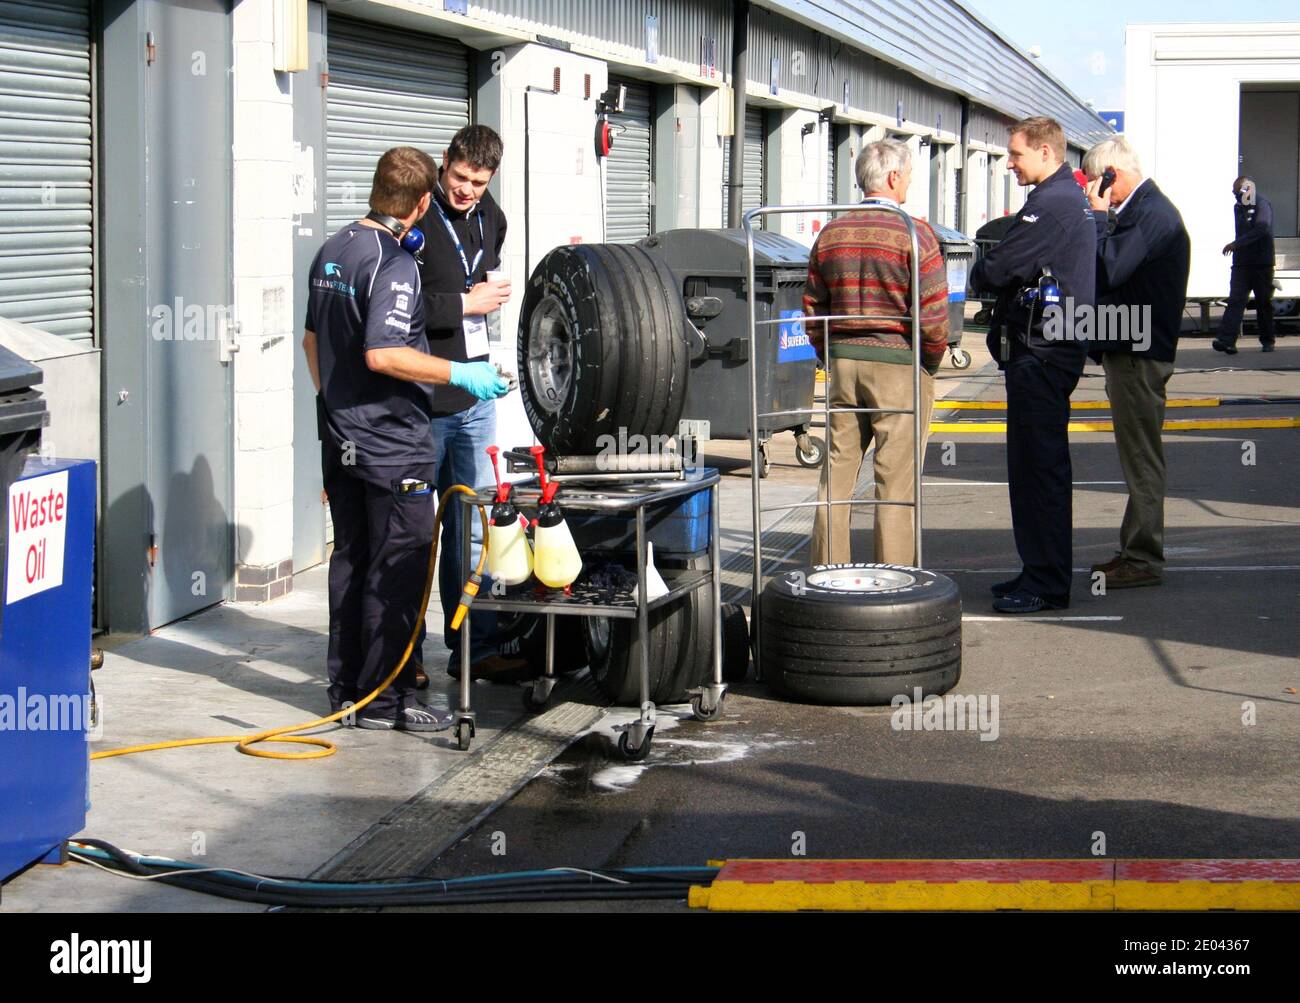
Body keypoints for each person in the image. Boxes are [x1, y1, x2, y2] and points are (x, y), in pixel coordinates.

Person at [302, 146, 510, 731]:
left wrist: (336, 405)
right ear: (424, 201)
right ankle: (389, 702)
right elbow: (383, 352)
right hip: (393, 446)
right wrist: (458, 373)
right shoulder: (393, 263)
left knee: (352, 562)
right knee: (398, 571)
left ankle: (348, 692)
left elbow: (311, 344)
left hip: (342, 440)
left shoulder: (332, 250)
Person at [415, 124, 530, 685]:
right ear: (445, 163)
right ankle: (405, 658)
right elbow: (400, 306)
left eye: (478, 183)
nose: (466, 190)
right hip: (420, 400)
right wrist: (465, 302)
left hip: (474, 399)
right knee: (415, 534)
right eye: (460, 178)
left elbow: (485, 290)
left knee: (474, 528)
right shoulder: (417, 214)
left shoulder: (492, 216)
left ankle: (473, 647)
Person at [968, 116, 1096, 614]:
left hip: (1042, 352)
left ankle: (1046, 582)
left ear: (1045, 152)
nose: (1010, 162)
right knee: (1032, 468)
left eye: (1017, 154)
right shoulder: (1062, 198)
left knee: (1039, 469)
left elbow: (995, 268)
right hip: (1045, 349)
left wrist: (987, 269)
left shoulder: (1054, 204)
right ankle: (1037, 569)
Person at [805, 138, 948, 567]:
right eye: (906, 176)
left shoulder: (832, 232)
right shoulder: (914, 232)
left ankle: (827, 576)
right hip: (899, 363)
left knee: (837, 474)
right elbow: (934, 314)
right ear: (892, 177)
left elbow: (813, 305)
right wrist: (931, 361)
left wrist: (830, 355)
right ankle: (895, 577)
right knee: (895, 481)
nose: (907, 184)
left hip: (843, 364)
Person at [1083, 135, 1190, 590]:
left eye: (1096, 179)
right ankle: (1135, 549)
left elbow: (1108, 269)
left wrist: (1097, 217)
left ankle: (1143, 556)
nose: (1092, 186)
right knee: (1137, 454)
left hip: (1138, 353)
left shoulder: (1147, 215)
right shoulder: (1145, 211)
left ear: (1114, 175)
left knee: (1141, 457)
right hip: (1133, 347)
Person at [1213, 177, 1276, 354]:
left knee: (1263, 302)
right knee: (1235, 300)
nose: (1234, 197)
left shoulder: (1262, 205)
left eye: (1236, 193)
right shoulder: (1238, 207)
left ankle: (1267, 340)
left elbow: (1261, 229)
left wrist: (1236, 244)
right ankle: (1227, 341)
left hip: (1261, 263)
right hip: (1242, 263)